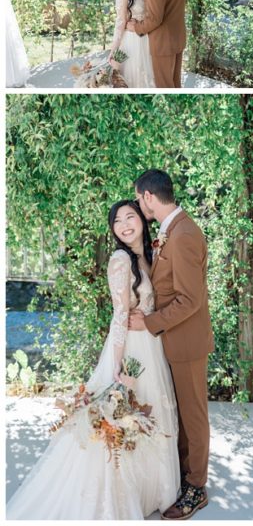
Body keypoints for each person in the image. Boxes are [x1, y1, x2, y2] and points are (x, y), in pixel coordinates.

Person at [6, 201, 180, 519]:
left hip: (151, 344)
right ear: (112, 229)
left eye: (131, 217)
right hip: (130, 346)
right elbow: (119, 314)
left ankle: (150, 489)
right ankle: (121, 495)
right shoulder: (119, 260)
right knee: (124, 412)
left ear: (143, 219)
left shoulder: (149, 255)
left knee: (149, 412)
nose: (125, 225)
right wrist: (116, 363)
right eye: (117, 221)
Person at [132, 169, 214, 521]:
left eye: (138, 199)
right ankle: (184, 477)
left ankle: (196, 488)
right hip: (173, 339)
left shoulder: (183, 234)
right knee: (181, 413)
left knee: (194, 416)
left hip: (187, 341)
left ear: (149, 196)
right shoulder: (172, 231)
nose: (138, 205)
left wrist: (149, 324)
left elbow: (190, 300)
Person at [104, 0, 156, 88]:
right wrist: (114, 49)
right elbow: (121, 21)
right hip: (130, 42)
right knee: (128, 82)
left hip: (152, 41)